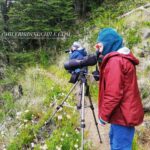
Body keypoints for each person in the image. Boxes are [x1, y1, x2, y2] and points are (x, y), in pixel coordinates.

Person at [95, 28, 144, 150]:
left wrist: (103, 116)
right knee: (115, 141)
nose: (98, 50)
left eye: (99, 46)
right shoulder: (120, 59)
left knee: (120, 146)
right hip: (122, 113)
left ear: (109, 44)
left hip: (122, 116)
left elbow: (113, 94)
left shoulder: (115, 62)